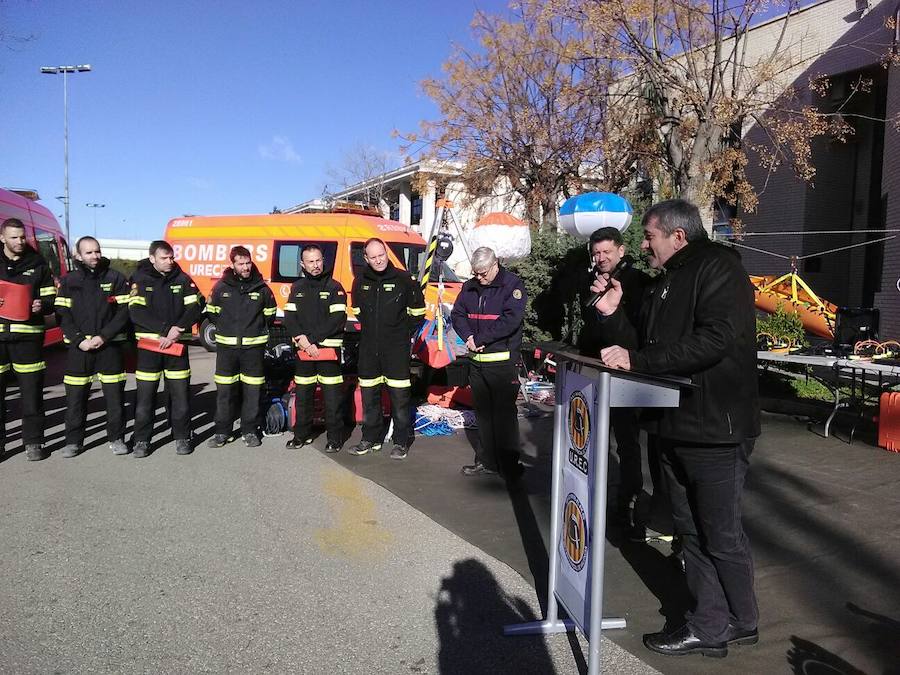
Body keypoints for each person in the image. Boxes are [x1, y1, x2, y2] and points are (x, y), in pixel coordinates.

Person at [591, 199, 760, 657]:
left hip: (713, 427)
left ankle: (711, 626)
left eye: (649, 237)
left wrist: (641, 359)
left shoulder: (719, 268)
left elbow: (715, 338)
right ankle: (740, 620)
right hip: (676, 422)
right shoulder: (668, 280)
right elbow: (641, 344)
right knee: (701, 529)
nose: (643, 246)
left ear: (677, 236)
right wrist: (612, 314)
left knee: (711, 531)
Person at [578, 227, 651, 532]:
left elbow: (637, 335)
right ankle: (593, 495)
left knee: (626, 442)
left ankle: (627, 502)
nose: (601, 258)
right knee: (591, 438)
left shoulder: (638, 283)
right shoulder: (593, 280)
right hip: (595, 370)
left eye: (607, 252)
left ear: (621, 250)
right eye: (596, 253)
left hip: (626, 374)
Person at [450, 246, 527, 480]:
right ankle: (486, 461)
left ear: (495, 265)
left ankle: (509, 465)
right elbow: (457, 315)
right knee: (483, 415)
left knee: (504, 415)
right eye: (476, 273)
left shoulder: (512, 285)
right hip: (477, 362)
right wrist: (469, 338)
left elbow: (511, 320)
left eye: (484, 272)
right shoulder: (470, 286)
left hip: (502, 363)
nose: (480, 278)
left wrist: (481, 339)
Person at [348, 238, 425, 460]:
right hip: (369, 348)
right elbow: (357, 310)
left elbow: (418, 313)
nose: (378, 260)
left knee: (399, 398)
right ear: (366, 259)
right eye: (373, 257)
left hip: (396, 349)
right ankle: (369, 439)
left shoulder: (403, 280)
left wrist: (401, 334)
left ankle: (401, 442)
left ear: (386, 253)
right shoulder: (360, 280)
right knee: (369, 395)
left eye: (381, 254)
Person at [54, 236, 131, 457]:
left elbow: (124, 313)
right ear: (78, 255)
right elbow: (63, 314)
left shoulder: (115, 278)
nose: (95, 256)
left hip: (109, 348)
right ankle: (73, 442)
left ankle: (116, 439)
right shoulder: (69, 281)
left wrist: (104, 337)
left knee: (115, 399)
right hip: (80, 350)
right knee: (75, 399)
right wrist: (80, 340)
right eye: (88, 252)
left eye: (97, 251)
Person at [128, 240, 203, 458]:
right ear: (152, 258)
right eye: (164, 258)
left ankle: (182, 436)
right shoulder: (139, 279)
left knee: (180, 395)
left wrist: (178, 329)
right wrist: (164, 329)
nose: (170, 261)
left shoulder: (183, 279)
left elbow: (196, 306)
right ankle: (142, 440)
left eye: (171, 257)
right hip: (150, 347)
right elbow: (136, 311)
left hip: (176, 346)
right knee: (145, 397)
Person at [205, 246, 276, 449]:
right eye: (241, 263)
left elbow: (269, 315)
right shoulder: (221, 288)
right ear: (232, 264)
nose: (245, 267)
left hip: (253, 350)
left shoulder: (262, 288)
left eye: (248, 263)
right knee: (225, 392)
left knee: (252, 392)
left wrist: (253, 331)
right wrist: (227, 330)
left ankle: (249, 431)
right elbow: (212, 313)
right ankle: (222, 432)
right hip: (227, 350)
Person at [0, 218, 57, 461]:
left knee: (32, 393)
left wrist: (41, 305)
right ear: (3, 238)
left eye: (22, 237)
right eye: (14, 237)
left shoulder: (38, 264)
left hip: (28, 339)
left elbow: (49, 296)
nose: (20, 241)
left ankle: (34, 442)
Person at [283, 245, 347, 453]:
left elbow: (336, 320)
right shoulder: (297, 288)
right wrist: (303, 342)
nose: (315, 265)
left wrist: (310, 340)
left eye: (318, 260)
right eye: (310, 261)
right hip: (304, 351)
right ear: (303, 264)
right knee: (303, 395)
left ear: (323, 261)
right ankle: (301, 435)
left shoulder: (334, 287)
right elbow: (290, 318)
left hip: (327, 351)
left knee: (332, 399)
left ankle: (335, 438)